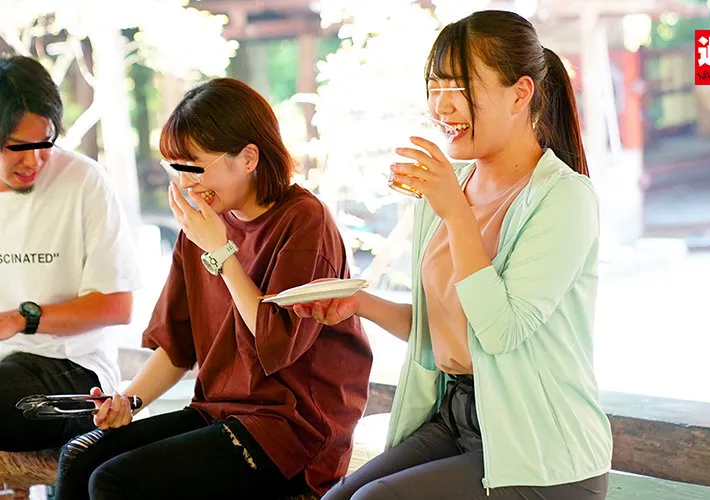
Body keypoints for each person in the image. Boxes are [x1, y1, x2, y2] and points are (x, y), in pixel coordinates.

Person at [289, 10, 612, 500]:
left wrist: (456, 213)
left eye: (459, 87)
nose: (442, 105)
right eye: (435, 86)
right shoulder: (447, 192)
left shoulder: (564, 198)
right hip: (458, 421)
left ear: (520, 93)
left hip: (542, 451)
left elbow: (499, 331)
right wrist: (356, 304)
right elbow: (440, 326)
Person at [54, 78, 373, 500]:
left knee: (116, 482)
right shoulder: (201, 226)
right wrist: (127, 402)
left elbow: (275, 342)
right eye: (176, 168)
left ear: (247, 158)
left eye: (194, 167)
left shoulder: (304, 220)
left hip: (293, 428)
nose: (185, 184)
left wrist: (222, 253)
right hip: (219, 412)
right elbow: (178, 344)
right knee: (79, 457)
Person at [0, 55, 139, 454]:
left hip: (74, 369)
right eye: (16, 148)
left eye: (45, 143)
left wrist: (19, 319)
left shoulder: (82, 181)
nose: (34, 160)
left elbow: (117, 306)